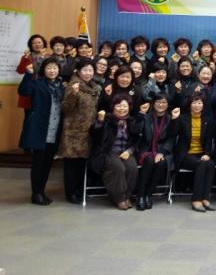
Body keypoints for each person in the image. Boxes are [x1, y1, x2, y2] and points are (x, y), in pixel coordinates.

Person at [18, 57, 64, 205]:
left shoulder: (61, 86)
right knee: (38, 163)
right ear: (44, 70)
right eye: (49, 68)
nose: (52, 71)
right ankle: (36, 193)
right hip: (40, 129)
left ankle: (42, 191)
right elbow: (23, 91)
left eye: (55, 68)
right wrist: (28, 74)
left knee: (47, 163)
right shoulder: (37, 83)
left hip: (54, 129)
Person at [59, 58, 101, 204]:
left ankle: (78, 190)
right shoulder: (74, 85)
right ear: (78, 71)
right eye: (85, 70)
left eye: (91, 70)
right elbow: (65, 108)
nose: (88, 73)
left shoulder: (94, 87)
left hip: (88, 131)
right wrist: (73, 94)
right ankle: (70, 193)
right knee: (71, 165)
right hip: (73, 132)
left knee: (82, 164)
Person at [89, 95, 141, 210]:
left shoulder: (131, 121)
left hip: (125, 152)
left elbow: (136, 140)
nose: (122, 109)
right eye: (118, 106)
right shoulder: (106, 119)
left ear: (129, 107)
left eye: (124, 106)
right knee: (118, 167)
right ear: (113, 107)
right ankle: (119, 198)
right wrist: (100, 121)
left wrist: (129, 151)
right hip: (107, 153)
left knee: (132, 167)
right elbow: (94, 134)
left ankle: (127, 196)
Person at [173, 93, 216, 212]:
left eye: (199, 103)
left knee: (210, 164)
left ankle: (205, 198)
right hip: (185, 154)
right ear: (189, 104)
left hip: (201, 154)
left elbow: (209, 140)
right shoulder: (183, 118)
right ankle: (196, 199)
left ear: (203, 105)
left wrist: (207, 154)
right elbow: (172, 134)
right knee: (201, 164)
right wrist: (175, 119)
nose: (197, 105)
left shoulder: (207, 120)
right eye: (194, 102)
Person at [136, 94, 179, 210]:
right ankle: (140, 195)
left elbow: (172, 137)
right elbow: (136, 130)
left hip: (162, 150)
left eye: (164, 102)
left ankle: (148, 194)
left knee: (161, 163)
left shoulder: (170, 118)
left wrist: (162, 152)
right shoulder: (146, 116)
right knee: (149, 161)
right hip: (145, 149)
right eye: (158, 102)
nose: (161, 105)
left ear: (167, 105)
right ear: (153, 103)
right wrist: (141, 114)